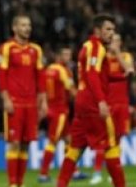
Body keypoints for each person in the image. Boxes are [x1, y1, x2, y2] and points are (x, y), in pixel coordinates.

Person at [56, 14, 127, 187]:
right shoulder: (97, 47)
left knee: (75, 148)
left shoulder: (87, 46)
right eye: (108, 29)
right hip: (93, 103)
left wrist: (121, 77)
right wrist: (101, 101)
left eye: (113, 30)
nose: (112, 33)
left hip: (81, 103)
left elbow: (99, 75)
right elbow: (92, 74)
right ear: (97, 30)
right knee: (111, 145)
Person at [0, 14, 47, 187]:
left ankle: (20, 182)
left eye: (29, 25)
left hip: (31, 103)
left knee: (26, 144)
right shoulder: (6, 48)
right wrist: (6, 98)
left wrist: (43, 101)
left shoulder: (36, 50)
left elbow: (40, 77)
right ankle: (12, 184)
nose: (27, 28)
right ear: (14, 28)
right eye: (23, 25)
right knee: (14, 143)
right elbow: (1, 75)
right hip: (15, 102)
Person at [90, 33, 134, 185]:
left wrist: (117, 54)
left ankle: (113, 172)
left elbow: (129, 70)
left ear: (120, 42)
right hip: (107, 104)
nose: (114, 43)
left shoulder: (126, 56)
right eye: (112, 41)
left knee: (118, 139)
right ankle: (96, 172)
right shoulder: (103, 59)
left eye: (117, 41)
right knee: (106, 140)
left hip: (122, 104)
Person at [38, 46, 83, 183]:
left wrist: (44, 104)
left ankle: (74, 172)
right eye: (65, 54)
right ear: (59, 56)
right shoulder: (63, 71)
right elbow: (71, 90)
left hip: (52, 109)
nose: (68, 58)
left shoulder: (48, 70)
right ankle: (43, 174)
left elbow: (42, 89)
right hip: (60, 111)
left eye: (69, 55)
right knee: (53, 142)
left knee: (69, 140)